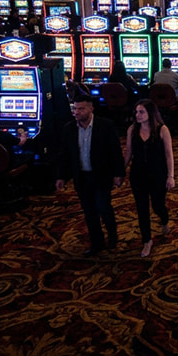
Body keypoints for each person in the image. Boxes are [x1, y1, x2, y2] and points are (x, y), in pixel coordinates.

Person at [55, 94, 125, 257]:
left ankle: (112, 236)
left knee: (104, 208)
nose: (77, 112)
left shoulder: (105, 125)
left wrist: (119, 173)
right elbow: (64, 155)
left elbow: (115, 152)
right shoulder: (69, 128)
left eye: (81, 109)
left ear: (91, 108)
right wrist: (61, 176)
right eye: (75, 109)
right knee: (89, 212)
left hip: (101, 175)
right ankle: (97, 243)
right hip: (81, 176)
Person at [124, 99, 174, 258]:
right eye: (136, 112)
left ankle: (164, 220)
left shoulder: (162, 129)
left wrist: (170, 176)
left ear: (150, 113)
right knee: (142, 208)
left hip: (158, 174)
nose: (137, 115)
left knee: (158, 205)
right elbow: (128, 153)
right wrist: (121, 172)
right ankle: (147, 240)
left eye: (141, 112)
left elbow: (169, 155)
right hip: (138, 175)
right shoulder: (132, 130)